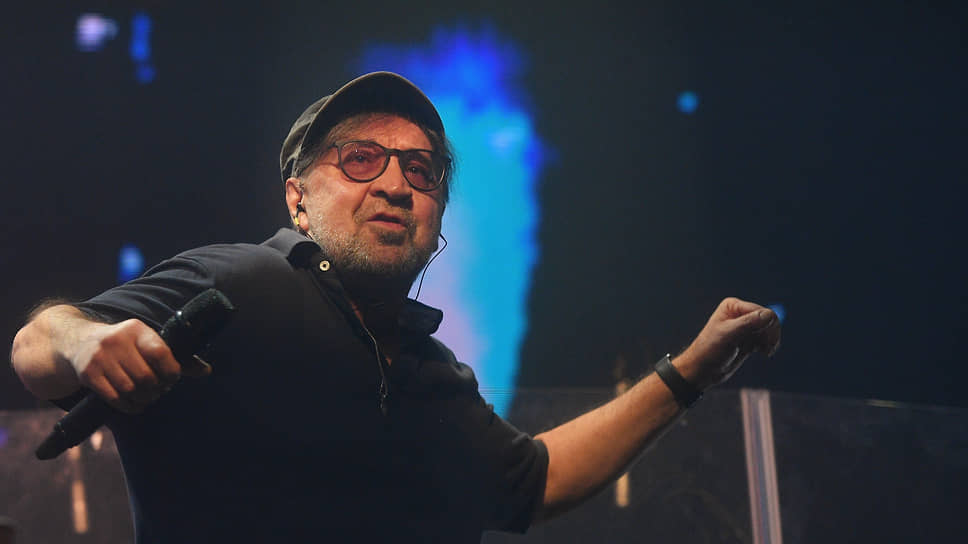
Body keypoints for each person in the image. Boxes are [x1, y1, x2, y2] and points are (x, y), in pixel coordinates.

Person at [10, 72, 781, 543]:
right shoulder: (240, 282)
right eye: (360, 159)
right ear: (298, 200)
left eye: (421, 170)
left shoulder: (432, 373)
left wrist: (692, 369)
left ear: (438, 214)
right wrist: (84, 343)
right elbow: (38, 345)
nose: (394, 184)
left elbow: (534, 481)